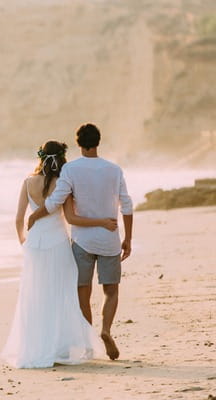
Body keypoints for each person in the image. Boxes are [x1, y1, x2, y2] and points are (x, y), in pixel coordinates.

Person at [27, 124, 134, 360]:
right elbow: (126, 204)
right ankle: (106, 330)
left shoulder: (71, 170)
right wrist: (128, 238)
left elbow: (56, 201)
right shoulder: (114, 170)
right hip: (109, 240)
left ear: (78, 143)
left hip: (82, 241)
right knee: (111, 290)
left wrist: (35, 215)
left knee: (82, 292)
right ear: (98, 142)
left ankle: (89, 343)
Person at [1, 140, 111, 368]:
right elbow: (70, 217)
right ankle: (62, 347)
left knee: (35, 295)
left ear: (40, 157)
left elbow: (19, 219)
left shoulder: (28, 182)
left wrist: (24, 242)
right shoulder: (64, 182)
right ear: (61, 158)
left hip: (35, 245)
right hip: (58, 242)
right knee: (62, 294)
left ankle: (37, 346)